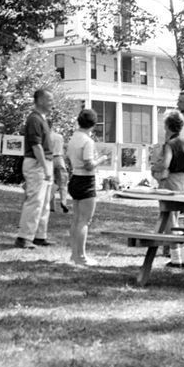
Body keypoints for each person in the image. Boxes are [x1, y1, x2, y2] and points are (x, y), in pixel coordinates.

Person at [66, 108, 110, 266]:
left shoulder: (73, 138)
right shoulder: (88, 141)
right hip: (86, 181)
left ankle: (74, 254)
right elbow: (89, 165)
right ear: (93, 124)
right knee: (85, 221)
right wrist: (102, 159)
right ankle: (82, 257)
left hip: (75, 178)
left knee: (76, 219)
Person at [154, 109, 184, 268]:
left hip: (171, 181)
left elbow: (166, 164)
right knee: (176, 219)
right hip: (183, 181)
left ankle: (176, 257)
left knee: (170, 219)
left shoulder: (170, 144)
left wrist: (155, 167)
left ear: (167, 126)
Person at [15, 89, 55, 249]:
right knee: (35, 201)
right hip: (37, 163)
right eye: (49, 99)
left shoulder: (42, 119)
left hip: (45, 163)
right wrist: (45, 168)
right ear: (39, 101)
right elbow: (36, 145)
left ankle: (39, 236)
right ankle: (23, 237)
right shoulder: (34, 119)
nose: (52, 103)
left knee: (45, 203)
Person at [49, 129, 69, 214]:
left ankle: (52, 206)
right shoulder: (59, 136)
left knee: (51, 183)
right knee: (63, 182)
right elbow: (62, 150)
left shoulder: (45, 137)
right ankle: (63, 201)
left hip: (49, 159)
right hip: (59, 159)